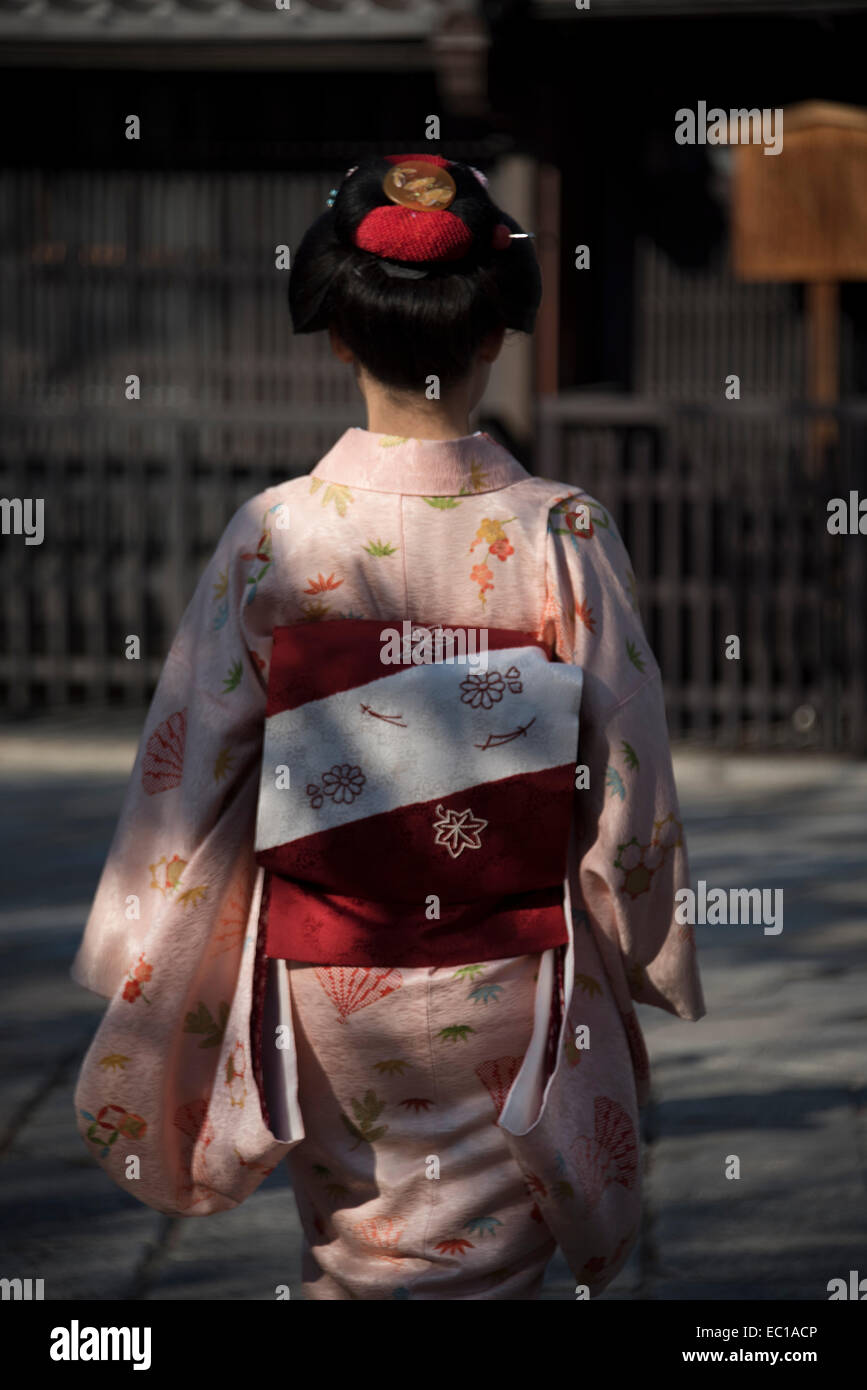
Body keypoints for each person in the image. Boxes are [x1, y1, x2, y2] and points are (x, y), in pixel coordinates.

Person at [71, 153, 705, 1301]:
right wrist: (639, 929)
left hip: (323, 971)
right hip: (505, 962)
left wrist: (144, 939)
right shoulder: (562, 530)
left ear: (341, 340)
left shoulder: (275, 532)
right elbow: (627, 769)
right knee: (493, 1258)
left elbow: (190, 759)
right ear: (494, 339)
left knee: (351, 1246)